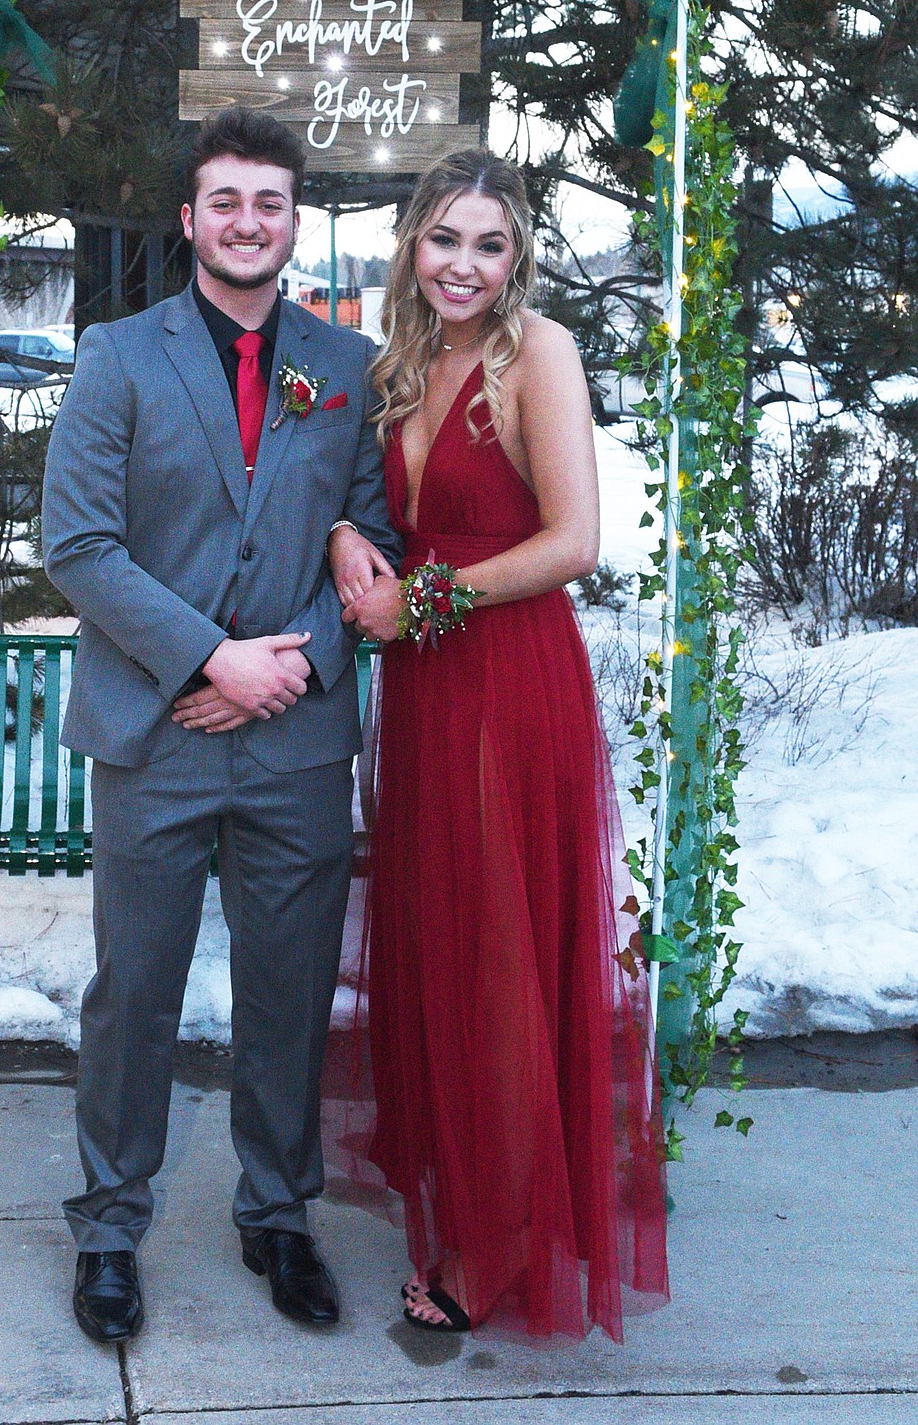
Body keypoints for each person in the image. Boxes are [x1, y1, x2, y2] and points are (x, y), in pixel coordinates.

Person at [42, 106, 400, 1343]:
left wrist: (285, 669)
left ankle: (278, 1212)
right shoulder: (116, 357)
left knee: (288, 991)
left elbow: (372, 547)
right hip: (157, 731)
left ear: (296, 222)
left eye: (271, 203)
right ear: (190, 218)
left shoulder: (345, 369)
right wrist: (209, 658)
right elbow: (77, 545)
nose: (249, 222)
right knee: (133, 990)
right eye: (227, 202)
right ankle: (107, 1224)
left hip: (295, 739)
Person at [328, 147, 669, 1341]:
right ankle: (474, 1178)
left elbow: (575, 540)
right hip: (426, 688)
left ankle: (509, 1229)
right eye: (444, 238)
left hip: (506, 673)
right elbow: (372, 509)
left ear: (516, 255)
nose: (465, 263)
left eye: (490, 242)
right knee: (444, 935)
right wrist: (344, 543)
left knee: (504, 949)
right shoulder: (406, 363)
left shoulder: (541, 354)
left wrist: (421, 604)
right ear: (411, 246)